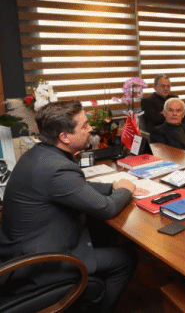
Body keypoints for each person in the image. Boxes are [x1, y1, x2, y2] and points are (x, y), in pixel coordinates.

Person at [0, 101, 146, 312]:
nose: (91, 129)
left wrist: (112, 186)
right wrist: (126, 189)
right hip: (39, 265)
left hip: (21, 249)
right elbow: (107, 209)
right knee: (126, 259)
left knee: (103, 235)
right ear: (65, 137)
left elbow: (74, 187)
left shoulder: (40, 154)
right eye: (84, 125)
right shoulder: (57, 168)